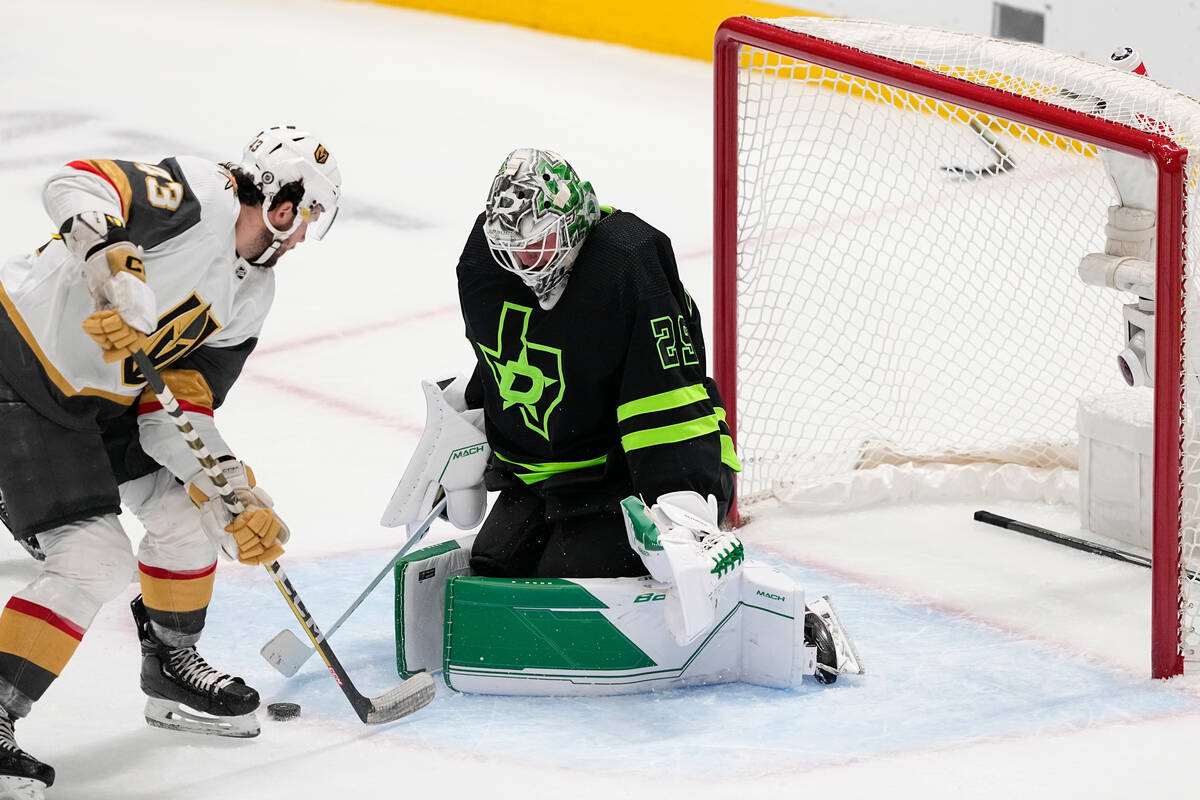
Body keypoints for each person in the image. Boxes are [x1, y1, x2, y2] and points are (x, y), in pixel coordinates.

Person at [0, 125, 341, 797]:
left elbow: (176, 412)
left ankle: (170, 666)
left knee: (191, 514)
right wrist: (108, 260)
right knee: (92, 559)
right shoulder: (195, 197)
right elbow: (70, 181)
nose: (303, 235)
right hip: (20, 374)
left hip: (107, 404)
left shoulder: (252, 293)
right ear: (281, 200)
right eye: (307, 216)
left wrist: (232, 490)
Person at [435, 147, 739, 579]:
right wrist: (464, 442)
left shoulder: (627, 262)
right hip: (549, 479)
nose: (523, 265)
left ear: (573, 221)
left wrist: (680, 504)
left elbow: (666, 391)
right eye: (512, 249)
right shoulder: (487, 262)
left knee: (571, 572)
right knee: (495, 565)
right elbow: (499, 364)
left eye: (537, 244)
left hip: (626, 474)